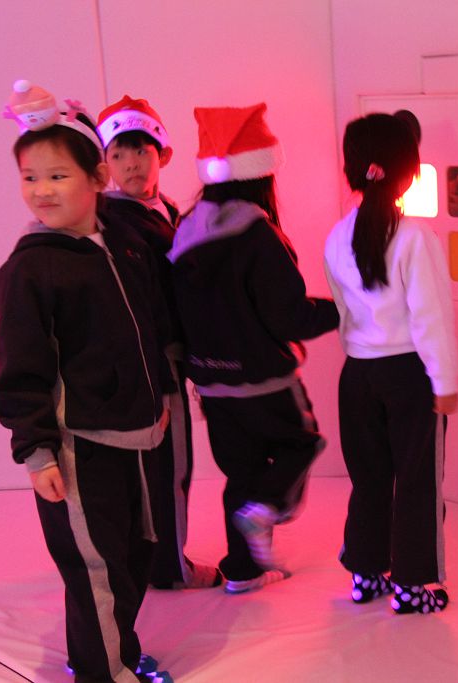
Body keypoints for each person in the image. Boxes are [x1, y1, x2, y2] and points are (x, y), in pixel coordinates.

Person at [0, 80, 173, 682]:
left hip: (136, 433)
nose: (41, 190)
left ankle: (116, 650)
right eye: (29, 177)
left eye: (57, 176)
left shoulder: (121, 242)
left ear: (98, 177)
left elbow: (146, 324)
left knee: (136, 551)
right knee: (95, 565)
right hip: (79, 444)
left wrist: (156, 396)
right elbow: (21, 368)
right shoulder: (31, 268)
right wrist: (36, 450)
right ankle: (103, 672)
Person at [167, 103, 339, 594]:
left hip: (212, 386)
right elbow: (289, 317)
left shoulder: (184, 230)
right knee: (301, 444)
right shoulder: (259, 236)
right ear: (262, 174)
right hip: (266, 381)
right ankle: (266, 508)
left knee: (240, 473)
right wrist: (344, 310)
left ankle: (242, 571)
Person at [323, 112, 458, 615]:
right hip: (410, 376)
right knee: (418, 481)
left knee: (370, 478)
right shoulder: (415, 237)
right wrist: (445, 381)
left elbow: (343, 311)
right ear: (408, 170)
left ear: (353, 170)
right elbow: (430, 318)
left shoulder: (337, 235)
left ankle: (365, 574)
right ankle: (412, 584)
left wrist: (361, 354)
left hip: (357, 375)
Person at [97, 95, 221, 591]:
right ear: (104, 164)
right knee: (169, 466)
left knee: (160, 466)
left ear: (163, 154)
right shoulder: (115, 219)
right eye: (118, 154)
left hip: (165, 357)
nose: (131, 163)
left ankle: (148, 558)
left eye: (141, 150)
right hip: (150, 363)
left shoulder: (164, 209)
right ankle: (169, 567)